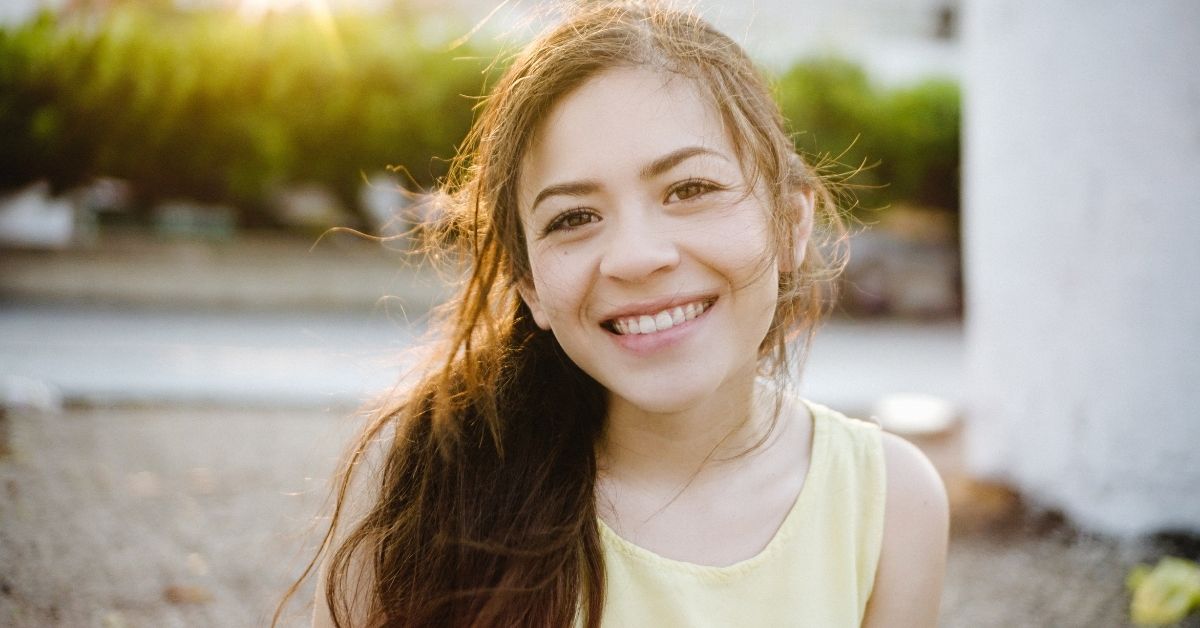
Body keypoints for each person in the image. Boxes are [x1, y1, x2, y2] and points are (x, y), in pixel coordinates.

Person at [282, 1, 948, 626]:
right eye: (573, 217)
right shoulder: (424, 476)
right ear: (530, 285)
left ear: (790, 224)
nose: (635, 257)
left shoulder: (892, 503)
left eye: (690, 189)